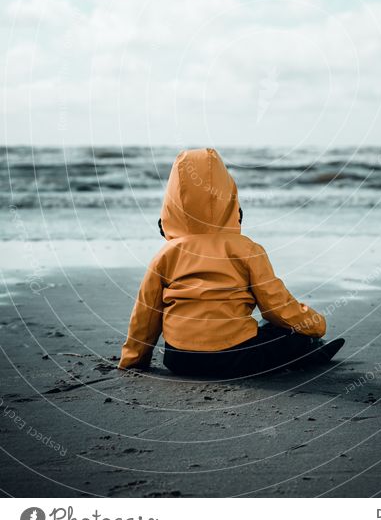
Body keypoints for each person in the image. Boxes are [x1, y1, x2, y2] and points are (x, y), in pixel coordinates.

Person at [118, 147, 344, 378]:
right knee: (289, 335)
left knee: (269, 333)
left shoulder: (165, 255)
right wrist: (316, 325)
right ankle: (311, 350)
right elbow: (277, 306)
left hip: (179, 359)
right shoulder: (246, 250)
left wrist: (133, 359)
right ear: (229, 198)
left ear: (171, 204)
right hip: (235, 356)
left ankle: (305, 349)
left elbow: (145, 316)